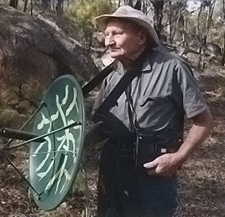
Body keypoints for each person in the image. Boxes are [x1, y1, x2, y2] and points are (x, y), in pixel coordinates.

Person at [89, 5, 213, 217]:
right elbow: (99, 126)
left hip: (152, 174)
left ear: (141, 37)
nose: (108, 41)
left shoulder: (171, 68)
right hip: (112, 167)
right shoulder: (111, 76)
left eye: (117, 34)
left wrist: (178, 158)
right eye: (106, 34)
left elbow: (204, 121)